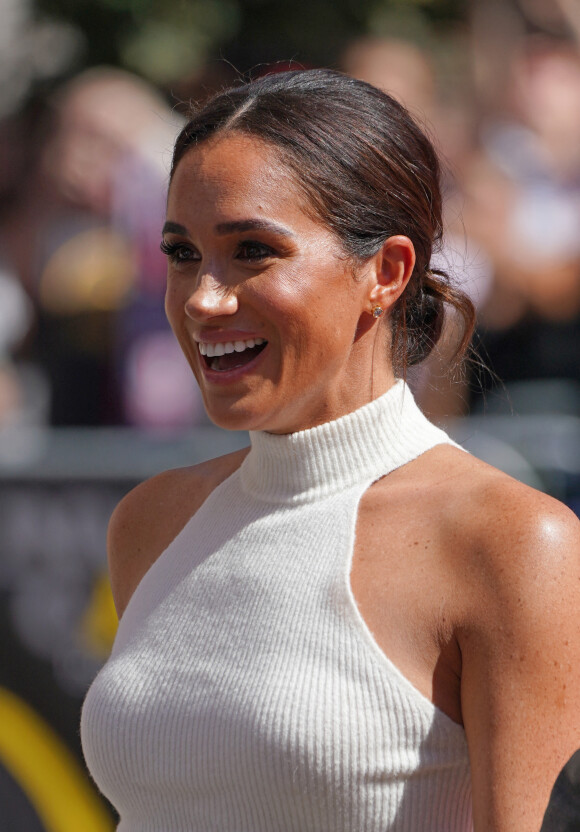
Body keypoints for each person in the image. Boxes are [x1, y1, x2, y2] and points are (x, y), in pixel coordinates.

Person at [80, 69, 580, 831]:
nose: (203, 300)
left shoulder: (514, 543)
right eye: (183, 254)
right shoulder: (152, 520)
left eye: (252, 250)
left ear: (386, 272)